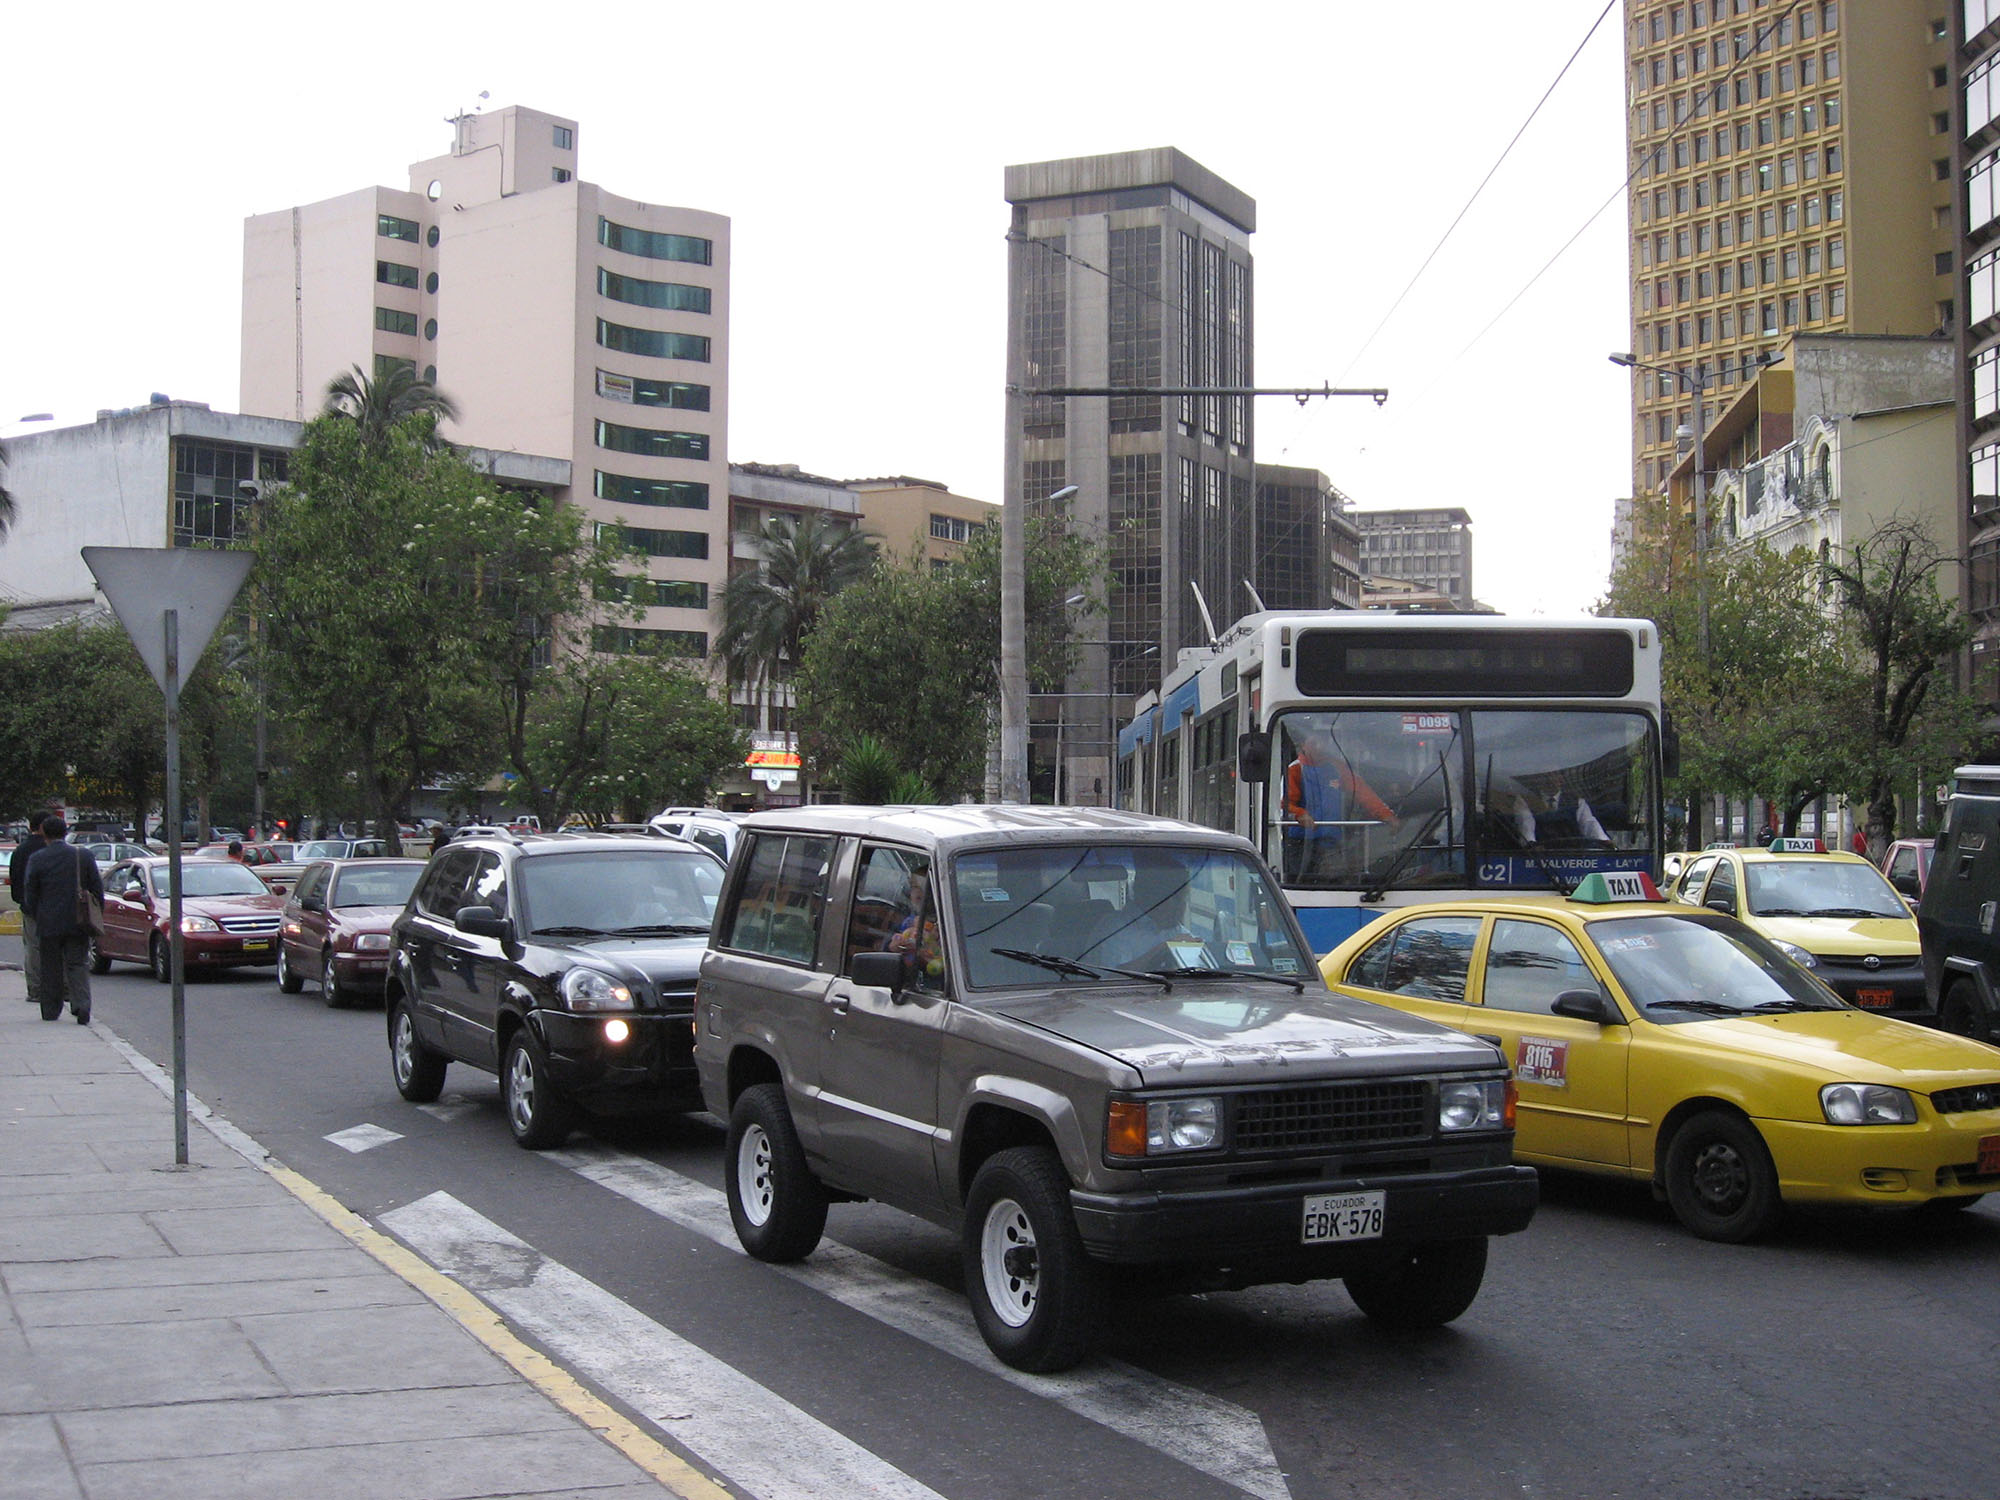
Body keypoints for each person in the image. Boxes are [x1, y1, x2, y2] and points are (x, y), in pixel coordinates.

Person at [22, 815, 103, 1024]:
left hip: (48, 921)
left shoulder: (38, 858)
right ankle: (82, 1005)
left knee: (50, 966)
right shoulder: (82, 856)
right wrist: (96, 914)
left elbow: (30, 892)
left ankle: (51, 1009)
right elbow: (96, 888)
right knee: (78, 964)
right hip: (78, 920)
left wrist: (35, 912)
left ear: (44, 834)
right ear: (66, 832)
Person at [1283, 734, 1397, 881]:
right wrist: (1300, 814)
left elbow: (1361, 791)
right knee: (1299, 885)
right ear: (1303, 745)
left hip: (1330, 841)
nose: (1319, 747)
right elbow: (1284, 805)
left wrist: (1385, 814)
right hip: (1299, 841)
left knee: (1333, 885)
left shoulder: (1337, 768)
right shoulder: (1295, 769)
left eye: (1322, 742)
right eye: (1314, 742)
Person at [8, 813, 49, 1007]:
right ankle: (61, 987)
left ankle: (35, 989)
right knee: (58, 947)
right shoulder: (50, 849)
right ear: (42, 827)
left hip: (29, 907)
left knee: (33, 948)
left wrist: (22, 901)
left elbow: (15, 880)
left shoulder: (20, 851)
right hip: (53, 907)